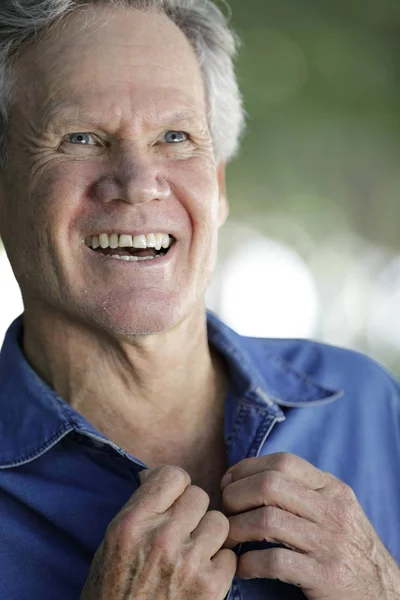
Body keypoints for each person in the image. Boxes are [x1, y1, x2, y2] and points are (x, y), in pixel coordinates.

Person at [0, 0, 399, 598]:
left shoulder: (370, 407)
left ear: (216, 186)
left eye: (175, 137)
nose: (138, 182)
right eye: (81, 137)